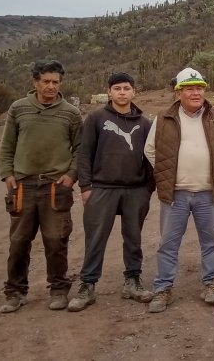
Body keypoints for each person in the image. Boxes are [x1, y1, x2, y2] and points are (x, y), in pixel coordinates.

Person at [143, 67, 214, 312]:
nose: (196, 93)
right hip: (175, 194)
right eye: (189, 89)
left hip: (208, 192)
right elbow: (150, 150)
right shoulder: (163, 118)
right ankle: (163, 288)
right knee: (168, 243)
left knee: (211, 241)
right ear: (179, 93)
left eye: (199, 88)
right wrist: (167, 173)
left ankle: (211, 283)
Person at [0, 60, 82, 313]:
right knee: (19, 241)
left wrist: (71, 175)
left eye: (55, 82)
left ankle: (58, 289)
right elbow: (7, 145)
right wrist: (7, 175)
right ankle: (15, 292)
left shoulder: (70, 112)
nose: (50, 86)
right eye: (45, 81)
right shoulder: (19, 109)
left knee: (56, 240)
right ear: (35, 82)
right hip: (23, 185)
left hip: (56, 186)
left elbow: (80, 149)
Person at [67, 72, 155, 312]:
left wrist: (148, 188)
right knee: (95, 238)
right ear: (109, 92)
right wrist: (86, 187)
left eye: (127, 88)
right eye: (117, 88)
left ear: (134, 91)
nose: (122, 92)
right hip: (102, 188)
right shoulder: (96, 118)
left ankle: (133, 281)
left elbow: (151, 158)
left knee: (133, 238)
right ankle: (87, 285)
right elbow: (84, 154)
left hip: (135, 189)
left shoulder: (144, 123)